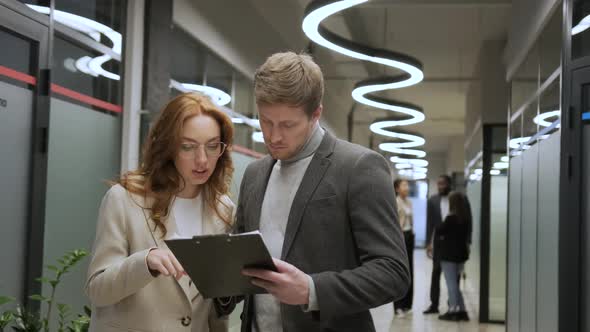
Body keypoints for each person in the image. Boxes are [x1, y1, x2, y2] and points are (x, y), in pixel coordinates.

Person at [234, 51, 410, 332]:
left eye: (288, 124)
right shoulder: (255, 174)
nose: (274, 136)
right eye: (266, 121)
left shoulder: (359, 167)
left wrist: (311, 290)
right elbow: (243, 260)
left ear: (316, 114)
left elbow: (393, 273)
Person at [86, 93, 236, 332]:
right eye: (188, 146)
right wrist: (144, 262)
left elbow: (213, 307)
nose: (202, 160)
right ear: (168, 146)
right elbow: (98, 290)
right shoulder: (124, 199)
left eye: (212, 146)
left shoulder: (223, 208)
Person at [435, 191, 471, 321]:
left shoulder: (451, 218)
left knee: (451, 284)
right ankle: (462, 310)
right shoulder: (465, 218)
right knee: (455, 283)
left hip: (449, 256)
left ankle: (453, 310)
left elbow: (439, 230)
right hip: (460, 256)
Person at [423, 174, 452, 314]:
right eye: (438, 184)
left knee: (452, 275)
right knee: (436, 273)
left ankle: (452, 305)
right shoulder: (432, 200)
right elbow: (429, 223)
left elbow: (467, 220)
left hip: (453, 243)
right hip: (438, 243)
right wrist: (428, 242)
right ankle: (434, 305)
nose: (440, 186)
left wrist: (467, 241)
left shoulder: (457, 199)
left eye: (443, 184)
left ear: (449, 185)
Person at [393, 179, 414, 317]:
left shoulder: (409, 202)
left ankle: (407, 304)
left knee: (410, 269)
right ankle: (398, 306)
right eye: (404, 185)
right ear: (397, 188)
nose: (407, 187)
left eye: (408, 185)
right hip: (399, 237)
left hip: (409, 235)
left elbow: (410, 220)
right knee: (399, 270)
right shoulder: (395, 201)